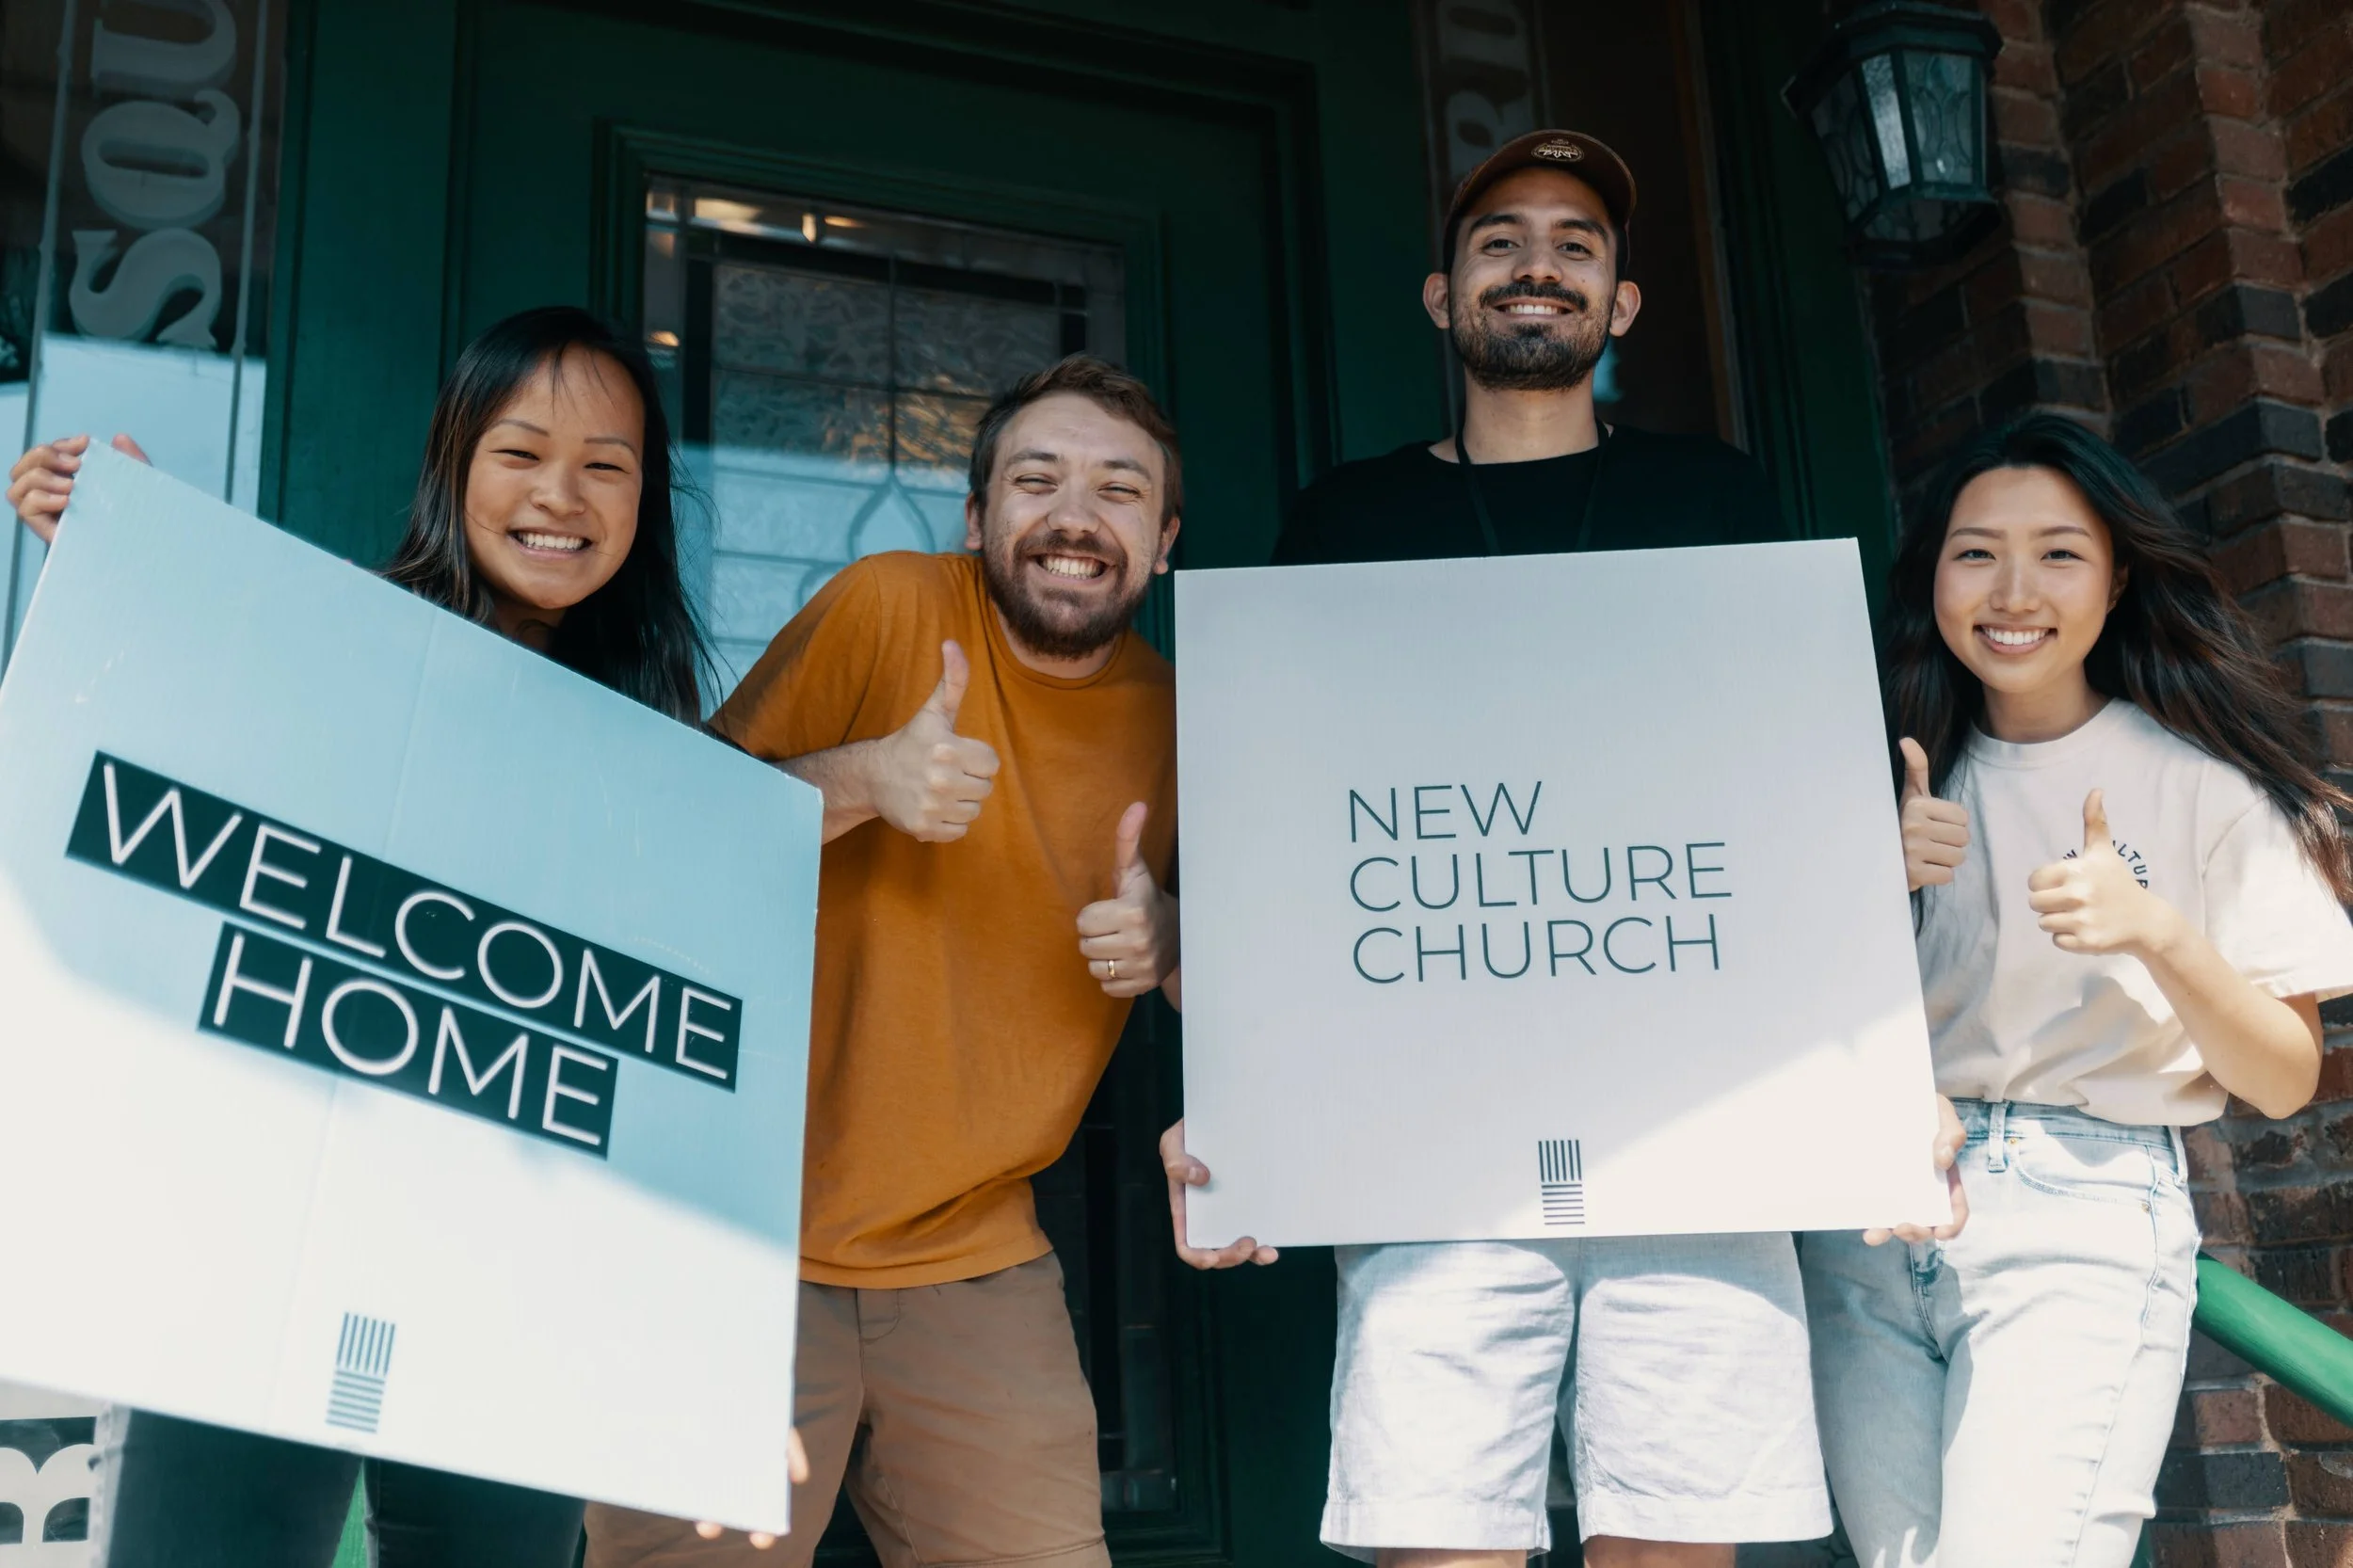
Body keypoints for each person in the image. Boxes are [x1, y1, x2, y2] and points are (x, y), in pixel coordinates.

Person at [1160, 128, 1964, 1568]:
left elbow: (1780, 803)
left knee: (1677, 1535)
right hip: (1430, 1126)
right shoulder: (1348, 520)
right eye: (1500, 241)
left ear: (1622, 304)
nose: (1538, 265)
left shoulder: (1712, 496)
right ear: (1439, 295)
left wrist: (1867, 874)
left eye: (1576, 245)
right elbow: (1293, 835)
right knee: (1438, 1530)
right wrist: (1245, 1113)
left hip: (1708, 1112)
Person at [5, 305, 808, 1566]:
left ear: (645, 502)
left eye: (607, 465)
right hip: (258, 1228)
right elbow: (163, 812)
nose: (563, 495)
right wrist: (132, 562)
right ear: (454, 464)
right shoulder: (325, 648)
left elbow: (671, 1079)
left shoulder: (664, 766)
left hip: (509, 1275)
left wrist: (713, 1348)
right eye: (520, 451)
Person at [586, 353, 1182, 1568]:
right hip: (729, 1237)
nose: (1076, 516)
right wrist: (864, 778)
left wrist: (1176, 934)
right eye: (1037, 478)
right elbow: (674, 835)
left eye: (1120, 490)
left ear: (1164, 541)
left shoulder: (1187, 717)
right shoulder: (891, 605)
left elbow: (1277, 972)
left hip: (977, 1255)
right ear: (977, 519)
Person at [1800, 413, 2353, 1566]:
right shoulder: (1877, 778)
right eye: (1973, 552)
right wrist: (1858, 882)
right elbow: (1773, 1025)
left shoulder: (2203, 784)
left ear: (2117, 579)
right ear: (1932, 578)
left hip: (2077, 1205)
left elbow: (2286, 1078)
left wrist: (2157, 933)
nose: (2011, 590)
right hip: (1869, 1221)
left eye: (2056, 552)